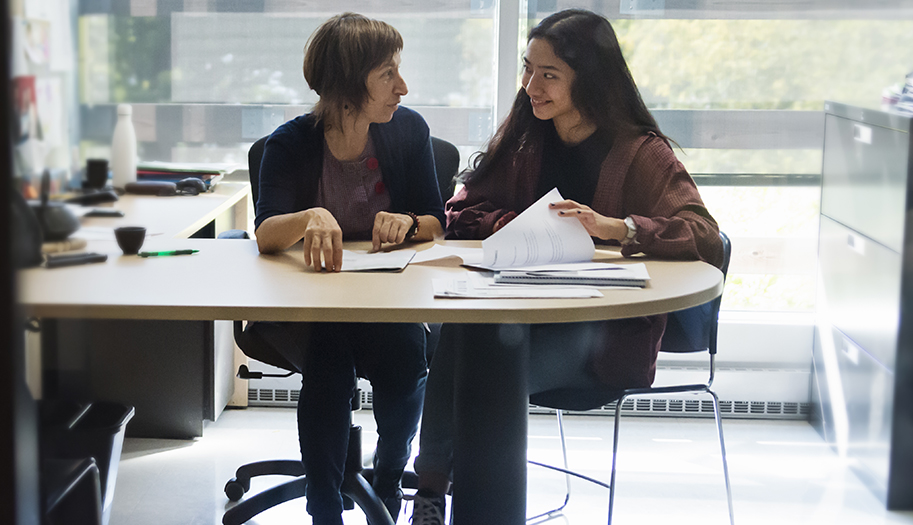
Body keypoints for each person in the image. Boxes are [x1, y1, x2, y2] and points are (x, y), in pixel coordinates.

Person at [409, 9, 722, 524]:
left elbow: (703, 233)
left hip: (598, 338)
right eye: (527, 69)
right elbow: (462, 208)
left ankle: (436, 491)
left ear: (590, 79)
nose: (531, 85)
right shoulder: (529, 135)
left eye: (549, 75)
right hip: (513, 317)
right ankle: (443, 495)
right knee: (471, 336)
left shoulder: (641, 152)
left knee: (473, 357)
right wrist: (521, 224)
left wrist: (618, 228)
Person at [253, 12, 446, 525]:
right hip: (315, 305)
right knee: (329, 362)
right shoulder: (290, 143)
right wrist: (311, 216)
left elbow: (437, 222)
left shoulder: (407, 131)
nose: (402, 87)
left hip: (387, 301)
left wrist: (406, 221)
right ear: (346, 84)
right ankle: (324, 507)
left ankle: (386, 484)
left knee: (407, 360)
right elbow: (266, 233)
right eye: (387, 74)